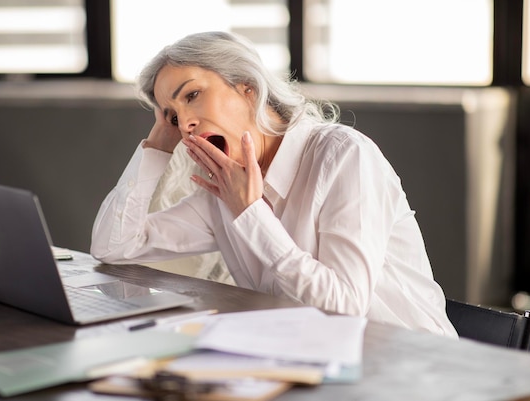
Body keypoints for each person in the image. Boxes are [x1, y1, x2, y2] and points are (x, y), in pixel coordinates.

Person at [91, 31, 458, 337]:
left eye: (192, 95)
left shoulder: (345, 156)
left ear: (247, 88)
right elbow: (114, 246)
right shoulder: (223, 190)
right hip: (308, 360)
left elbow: (346, 307)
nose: (184, 122)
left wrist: (250, 213)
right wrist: (158, 145)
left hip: (411, 366)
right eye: (172, 114)